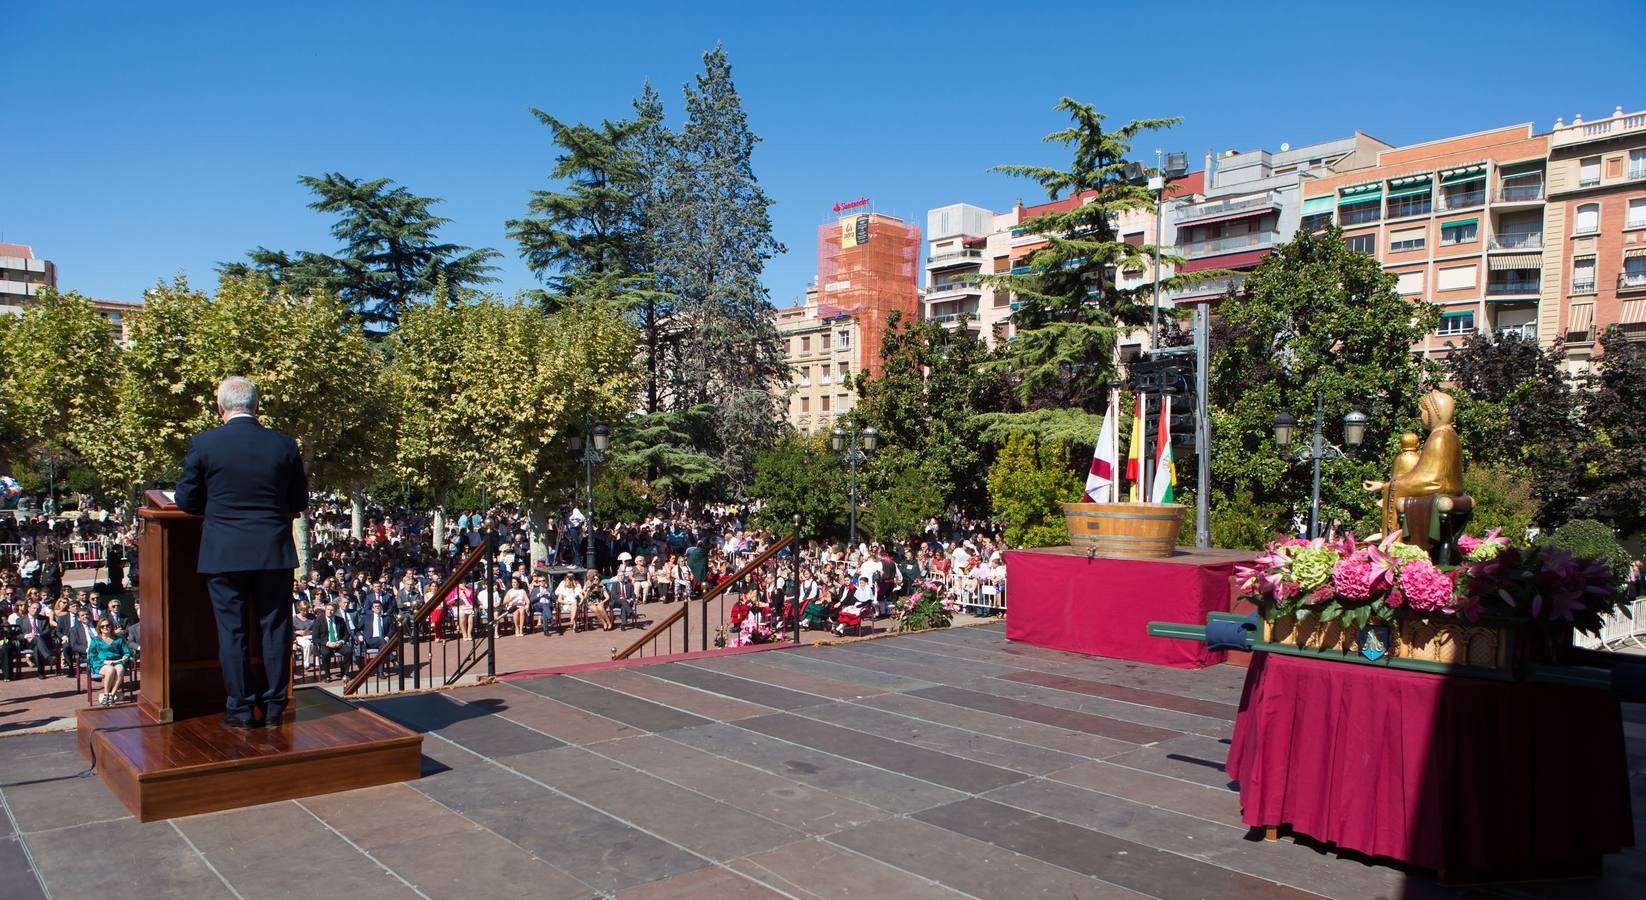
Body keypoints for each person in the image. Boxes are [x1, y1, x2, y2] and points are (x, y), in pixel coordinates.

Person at [174, 376, 309, 729]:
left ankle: (241, 709)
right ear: (257, 406)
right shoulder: (283, 445)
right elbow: (298, 501)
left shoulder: (204, 443)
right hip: (272, 553)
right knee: (275, 629)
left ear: (220, 408)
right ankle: (276, 706)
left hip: (224, 553)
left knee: (232, 632)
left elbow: (186, 501)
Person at [88, 617, 131, 705]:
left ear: (111, 626)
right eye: (102, 626)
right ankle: (106, 694)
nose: (105, 627)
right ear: (99, 628)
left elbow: (126, 652)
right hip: (100, 662)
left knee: (120, 669)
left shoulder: (119, 639)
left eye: (107, 625)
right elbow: (91, 656)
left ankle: (112, 694)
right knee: (110, 669)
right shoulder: (95, 640)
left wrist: (126, 656)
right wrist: (104, 662)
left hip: (117, 661)